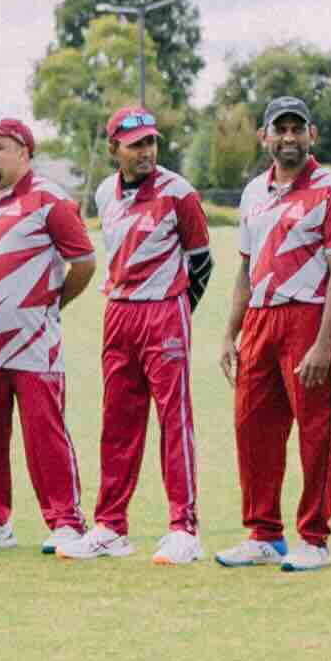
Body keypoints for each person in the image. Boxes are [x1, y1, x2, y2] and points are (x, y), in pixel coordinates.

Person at [0, 112, 93, 553]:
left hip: (32, 343)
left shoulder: (50, 200)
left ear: (24, 153)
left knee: (44, 434)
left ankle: (65, 522)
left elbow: (82, 263)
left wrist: (52, 302)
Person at [217, 98, 331, 569]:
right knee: (252, 426)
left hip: (308, 318)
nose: (289, 138)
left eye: (297, 129)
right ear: (265, 137)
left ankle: (314, 538)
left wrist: (322, 340)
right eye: (281, 130)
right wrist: (229, 334)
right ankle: (263, 533)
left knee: (316, 431)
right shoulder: (254, 192)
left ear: (312, 134)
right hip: (260, 319)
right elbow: (245, 270)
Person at [87, 108, 213, 564]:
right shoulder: (105, 193)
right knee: (117, 421)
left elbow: (202, 262)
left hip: (164, 313)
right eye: (135, 144)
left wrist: (177, 309)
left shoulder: (179, 193)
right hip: (118, 312)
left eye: (150, 142)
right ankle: (109, 527)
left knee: (173, 420)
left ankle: (184, 528)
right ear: (113, 150)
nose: (146, 152)